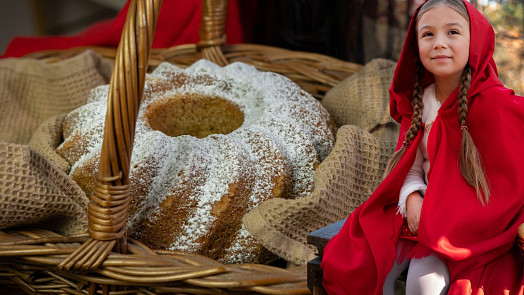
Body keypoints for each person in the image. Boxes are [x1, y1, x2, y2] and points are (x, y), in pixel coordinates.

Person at [320, 0, 524, 294]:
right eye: (428, 34)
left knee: (426, 285)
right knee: (382, 270)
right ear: (415, 46)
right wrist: (412, 196)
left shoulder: (499, 105)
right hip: (424, 217)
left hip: (473, 225)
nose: (439, 43)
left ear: (475, 40)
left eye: (452, 32)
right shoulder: (419, 102)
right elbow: (410, 167)